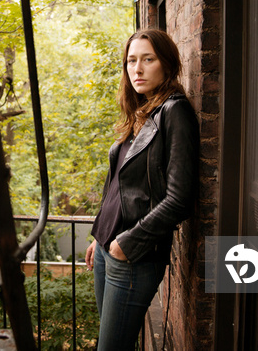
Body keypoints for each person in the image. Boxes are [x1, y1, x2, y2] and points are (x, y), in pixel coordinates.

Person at [85, 28, 199, 350]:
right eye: (131, 61)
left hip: (134, 256)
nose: (137, 69)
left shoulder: (174, 112)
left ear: (166, 64)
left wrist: (126, 243)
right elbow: (118, 185)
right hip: (109, 250)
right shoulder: (141, 112)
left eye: (147, 59)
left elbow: (179, 198)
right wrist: (101, 236)